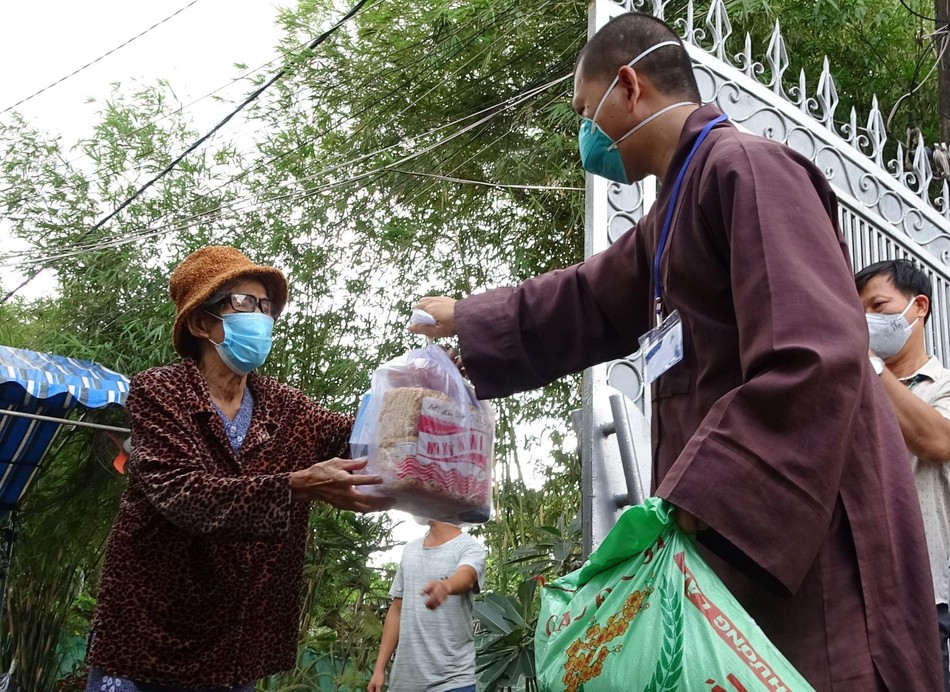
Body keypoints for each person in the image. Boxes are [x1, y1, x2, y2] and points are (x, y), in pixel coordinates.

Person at [410, 11, 942, 691]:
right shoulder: (672, 210)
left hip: (814, 545)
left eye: (585, 111)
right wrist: (468, 320)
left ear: (629, 86)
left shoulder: (748, 168)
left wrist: (705, 491)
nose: (585, 134)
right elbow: (587, 299)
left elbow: (815, 355)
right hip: (730, 538)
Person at [84, 246, 392, 692]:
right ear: (200, 323)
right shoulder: (160, 391)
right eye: (245, 302)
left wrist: (427, 385)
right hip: (149, 634)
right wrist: (295, 486)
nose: (261, 317)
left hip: (233, 645)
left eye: (266, 307)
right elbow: (184, 493)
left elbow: (359, 438)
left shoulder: (285, 406)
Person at [856, 259, 950, 691]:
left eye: (878, 307)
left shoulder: (942, 386)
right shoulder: (851, 389)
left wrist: (871, 365)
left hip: (928, 594)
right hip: (859, 592)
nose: (867, 321)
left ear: (919, 307)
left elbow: (936, 440)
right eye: (858, 313)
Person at [368, 519, 486, 692]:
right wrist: (379, 669)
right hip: (404, 683)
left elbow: (468, 576)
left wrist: (446, 586)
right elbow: (397, 610)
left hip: (452, 681)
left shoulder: (469, 548)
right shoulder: (410, 550)